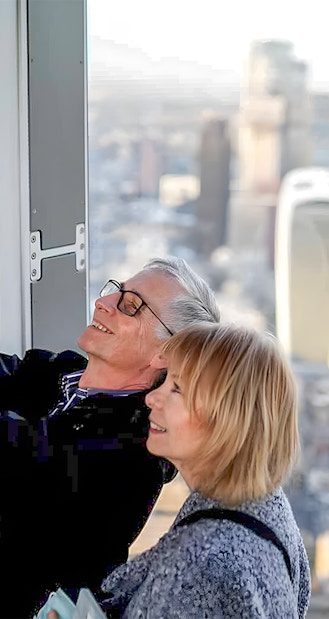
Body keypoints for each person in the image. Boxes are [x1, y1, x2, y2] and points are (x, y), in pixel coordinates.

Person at [0, 256, 220, 618]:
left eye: (130, 306)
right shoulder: (63, 372)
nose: (103, 303)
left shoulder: (133, 450)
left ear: (165, 354)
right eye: (115, 292)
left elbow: (22, 455)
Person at [100, 323, 311, 618]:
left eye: (176, 388)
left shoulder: (201, 559)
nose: (152, 398)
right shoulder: (267, 507)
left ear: (228, 418)